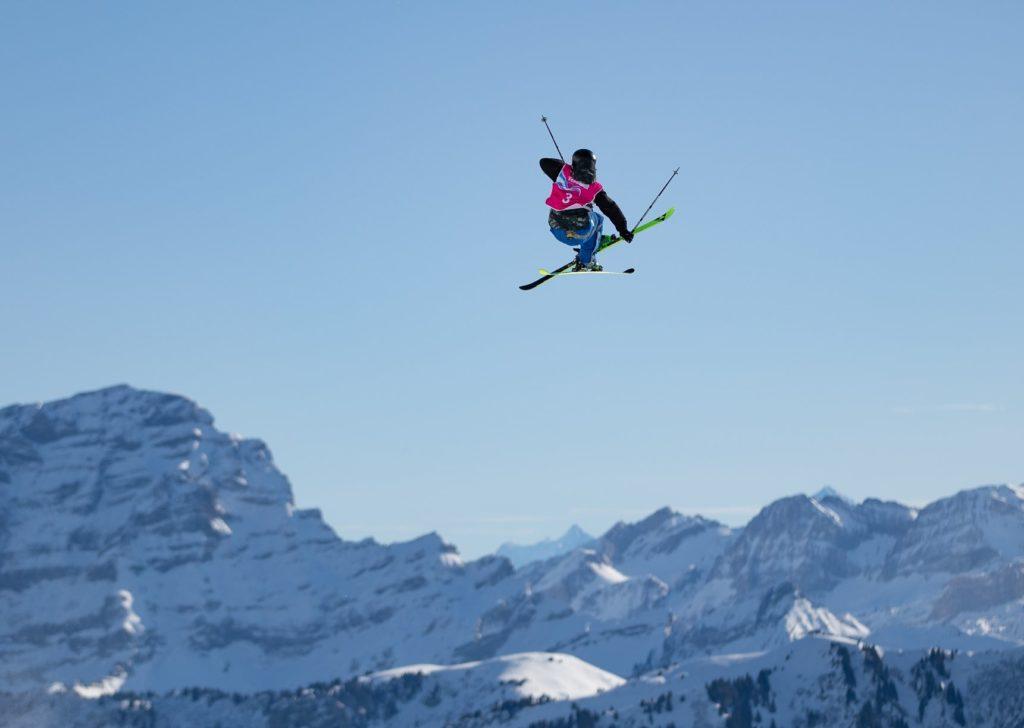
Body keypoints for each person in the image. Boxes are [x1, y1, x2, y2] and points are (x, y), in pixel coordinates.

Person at [540, 149, 633, 271]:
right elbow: (610, 208)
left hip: (558, 231)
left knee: (580, 216)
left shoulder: (562, 172)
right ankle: (586, 260)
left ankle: (593, 241)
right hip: (580, 234)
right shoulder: (595, 189)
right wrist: (623, 229)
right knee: (597, 219)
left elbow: (544, 162)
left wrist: (565, 167)